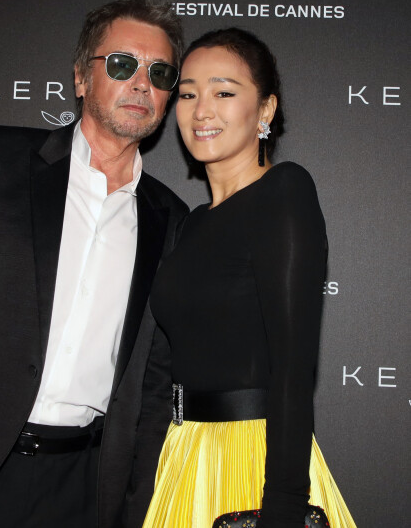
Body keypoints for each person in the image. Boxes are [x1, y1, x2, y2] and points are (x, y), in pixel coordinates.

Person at [0, 0, 188, 528]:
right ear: (80, 77)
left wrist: (135, 502)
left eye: (159, 72)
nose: (142, 83)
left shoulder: (171, 218)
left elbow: (155, 382)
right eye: (122, 64)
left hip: (83, 489)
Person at [142, 28, 357, 528]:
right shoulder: (189, 223)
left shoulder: (284, 191)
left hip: (254, 465)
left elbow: (292, 368)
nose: (201, 110)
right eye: (188, 93)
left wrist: (281, 506)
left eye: (224, 92)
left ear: (265, 111)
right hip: (184, 458)